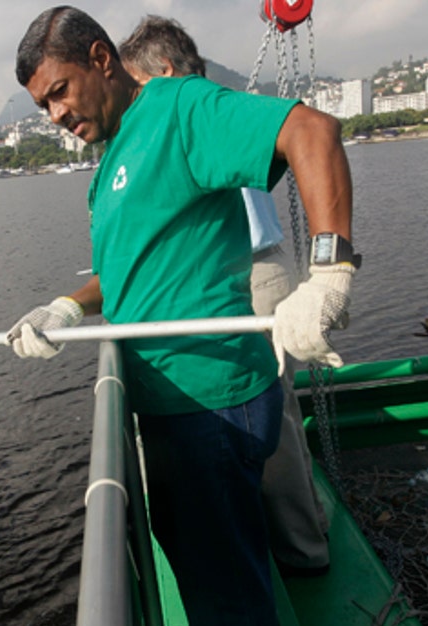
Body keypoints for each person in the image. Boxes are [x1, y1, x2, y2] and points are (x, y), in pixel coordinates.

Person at [8, 7, 356, 626]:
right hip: (179, 404)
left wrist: (330, 270)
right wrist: (64, 307)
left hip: (206, 405)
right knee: (221, 568)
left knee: (220, 587)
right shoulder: (116, 152)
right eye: (41, 105)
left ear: (101, 60)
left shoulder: (177, 109)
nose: (53, 115)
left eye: (59, 92)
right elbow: (125, 271)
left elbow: (310, 131)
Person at [119, 14, 331, 583]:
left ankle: (303, 550)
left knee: (272, 417)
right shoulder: (193, 115)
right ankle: (278, 537)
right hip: (225, 275)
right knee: (254, 418)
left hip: (254, 272)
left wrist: (332, 272)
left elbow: (313, 132)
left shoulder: (198, 112)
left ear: (163, 73)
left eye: (135, 86)